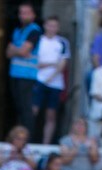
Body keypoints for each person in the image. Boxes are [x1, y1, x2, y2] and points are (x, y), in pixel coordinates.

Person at [34, 15, 71, 145]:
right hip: (38, 80)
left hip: (55, 83)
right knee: (33, 111)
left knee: (51, 115)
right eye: (50, 25)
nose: (52, 28)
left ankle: (46, 143)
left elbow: (62, 64)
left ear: (58, 27)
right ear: (45, 25)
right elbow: (34, 63)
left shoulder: (62, 43)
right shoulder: (38, 41)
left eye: (55, 26)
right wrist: (51, 64)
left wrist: (50, 75)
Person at [6, 3, 41, 132]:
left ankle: (28, 138)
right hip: (15, 74)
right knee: (19, 108)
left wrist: (16, 50)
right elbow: (8, 53)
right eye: (21, 12)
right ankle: (19, 135)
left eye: (26, 12)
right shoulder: (17, 31)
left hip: (27, 75)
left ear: (33, 15)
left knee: (26, 109)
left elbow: (23, 51)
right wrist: (18, 50)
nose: (23, 15)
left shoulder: (34, 30)